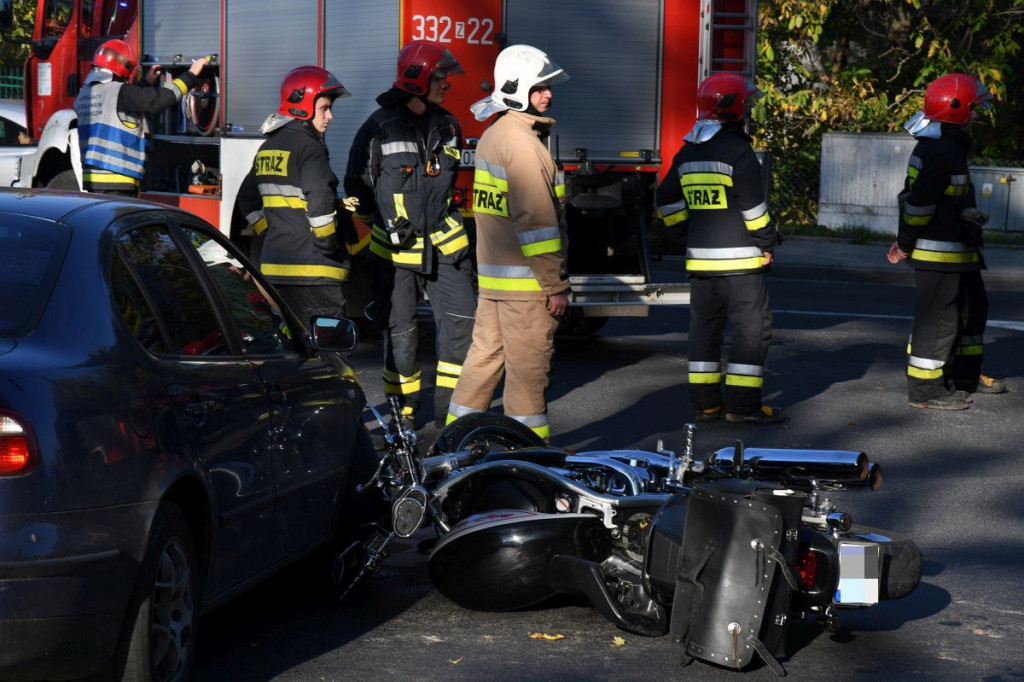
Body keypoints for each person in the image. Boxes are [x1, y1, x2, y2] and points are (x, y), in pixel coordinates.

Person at [345, 40, 475, 429]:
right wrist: (381, 222)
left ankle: (452, 409)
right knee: (400, 331)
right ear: (417, 79)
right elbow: (356, 188)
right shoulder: (377, 129)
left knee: (463, 320)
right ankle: (404, 409)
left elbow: (452, 186)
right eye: (440, 78)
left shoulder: (450, 126)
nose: (447, 85)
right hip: (396, 252)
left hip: (446, 249)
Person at [443, 44, 571, 442]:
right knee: (527, 378)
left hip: (496, 284)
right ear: (517, 89)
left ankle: (452, 445)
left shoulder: (494, 136)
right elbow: (538, 223)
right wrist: (555, 284)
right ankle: (530, 462)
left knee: (481, 363)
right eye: (539, 88)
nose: (548, 94)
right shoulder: (523, 144)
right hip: (528, 288)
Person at [655, 72, 785, 424]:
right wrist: (768, 243)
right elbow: (754, 211)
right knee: (751, 330)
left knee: (704, 333)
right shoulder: (739, 151)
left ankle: (707, 405)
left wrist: (687, 233)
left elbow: (665, 199)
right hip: (742, 264)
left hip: (701, 264)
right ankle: (742, 407)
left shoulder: (688, 151)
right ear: (737, 109)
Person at [887, 73, 1007, 410]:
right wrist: (905, 243)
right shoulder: (941, 150)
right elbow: (918, 204)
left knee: (972, 309)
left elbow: (941, 198)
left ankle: (964, 377)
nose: (979, 114)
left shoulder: (948, 145)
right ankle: (926, 391)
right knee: (938, 320)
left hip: (958, 248)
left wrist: (965, 211)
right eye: (975, 108)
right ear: (957, 111)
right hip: (938, 252)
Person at [237, 65, 354, 328]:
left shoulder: (267, 148)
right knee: (329, 351)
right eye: (324, 108)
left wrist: (270, 231)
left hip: (275, 271)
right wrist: (327, 245)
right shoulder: (310, 149)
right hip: (315, 273)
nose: (330, 116)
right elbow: (320, 203)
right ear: (302, 105)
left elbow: (247, 199)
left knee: (293, 348)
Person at [73, 39, 207, 195]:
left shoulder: (84, 95)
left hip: (93, 179)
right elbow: (161, 99)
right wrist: (191, 75)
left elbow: (122, 104)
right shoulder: (119, 92)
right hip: (118, 176)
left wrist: (146, 82)